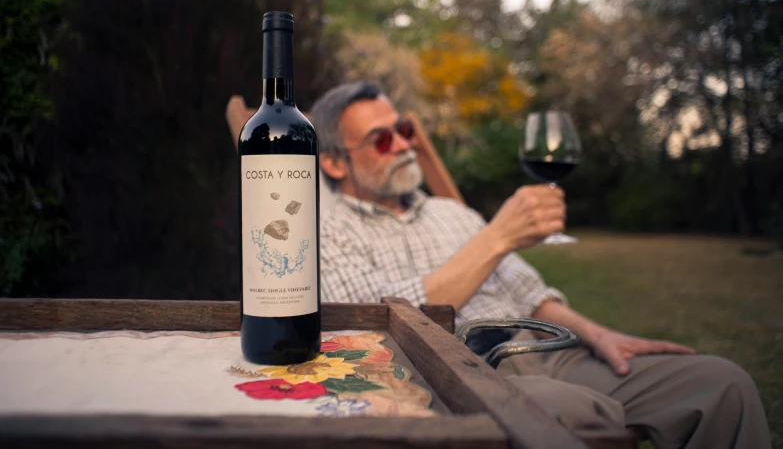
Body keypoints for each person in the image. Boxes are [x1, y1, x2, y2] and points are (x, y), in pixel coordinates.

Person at [309, 82, 770, 449]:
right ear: (332, 162)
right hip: (464, 372)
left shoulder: (453, 213)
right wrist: (498, 236)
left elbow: (528, 290)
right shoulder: (326, 232)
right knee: (580, 415)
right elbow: (380, 328)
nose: (404, 146)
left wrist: (600, 335)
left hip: (548, 350)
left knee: (722, 385)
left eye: (405, 130)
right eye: (382, 139)